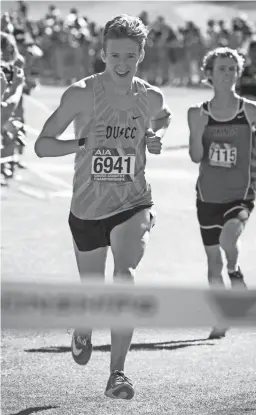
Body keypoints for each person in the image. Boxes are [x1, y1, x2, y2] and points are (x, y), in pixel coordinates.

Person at [34, 14, 172, 399]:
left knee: (124, 277)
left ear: (141, 53)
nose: (122, 64)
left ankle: (118, 374)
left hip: (133, 202)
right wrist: (81, 144)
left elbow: (162, 118)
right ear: (102, 53)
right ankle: (84, 324)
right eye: (115, 56)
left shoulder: (151, 96)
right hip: (87, 207)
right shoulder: (80, 93)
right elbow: (42, 145)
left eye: (130, 55)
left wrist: (155, 136)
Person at [188, 47, 256, 340]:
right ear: (209, 75)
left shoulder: (250, 110)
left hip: (241, 193)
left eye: (232, 68)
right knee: (213, 261)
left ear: (238, 73)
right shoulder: (197, 113)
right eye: (221, 69)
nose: (227, 74)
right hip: (207, 195)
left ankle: (237, 273)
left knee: (230, 237)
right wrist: (197, 131)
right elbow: (195, 156)